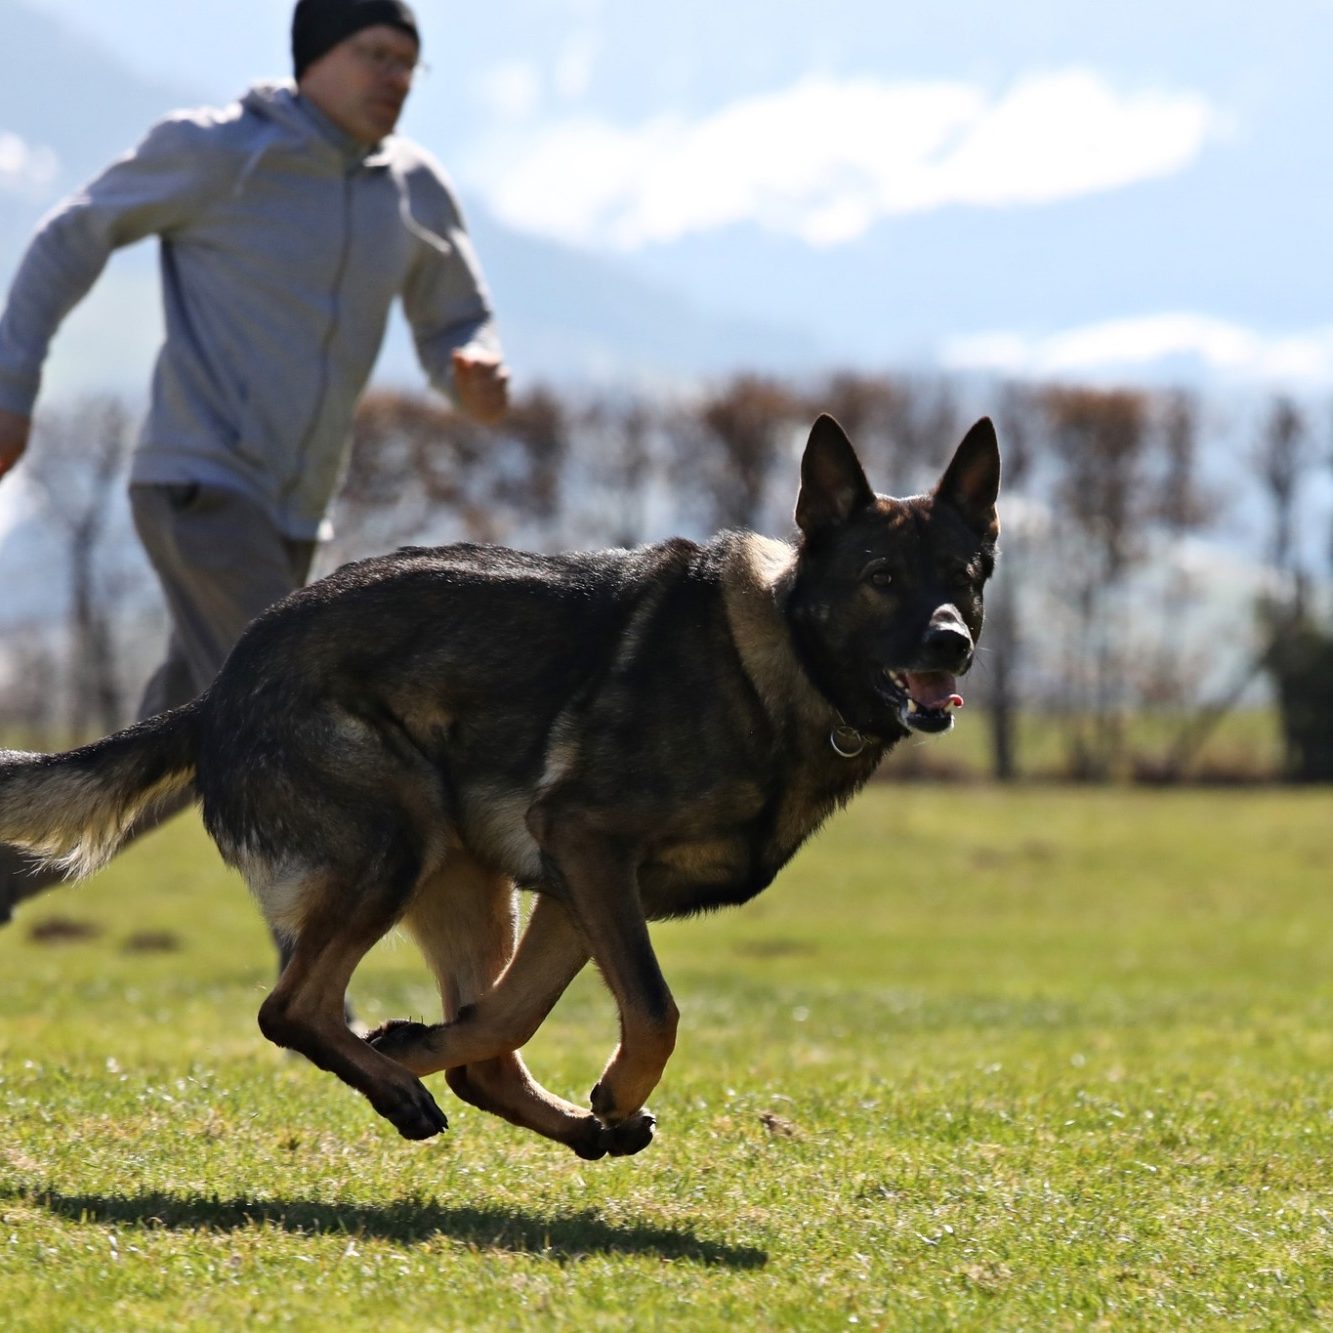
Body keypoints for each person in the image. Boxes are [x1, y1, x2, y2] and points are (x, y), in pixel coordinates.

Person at [0, 0, 510, 928]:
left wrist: (471, 366)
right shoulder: (219, 150)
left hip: (290, 515)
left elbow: (456, 317)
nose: (397, 76)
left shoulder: (413, 188)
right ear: (317, 58)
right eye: (377, 53)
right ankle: (317, 986)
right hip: (199, 485)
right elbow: (68, 236)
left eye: (411, 62)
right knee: (298, 717)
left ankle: (2, 873)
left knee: (175, 750)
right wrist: (11, 385)